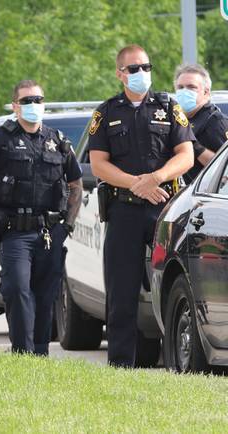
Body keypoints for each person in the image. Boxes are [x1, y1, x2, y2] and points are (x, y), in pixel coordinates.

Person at [89, 45, 194, 368]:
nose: (141, 74)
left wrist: (156, 178)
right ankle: (121, 365)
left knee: (176, 284)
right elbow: (98, 165)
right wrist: (137, 183)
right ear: (120, 73)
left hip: (164, 209)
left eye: (145, 67)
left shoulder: (168, 107)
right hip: (124, 210)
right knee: (121, 292)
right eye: (134, 69)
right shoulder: (106, 113)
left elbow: (185, 155)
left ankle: (179, 358)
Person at [0, 80, 83, 355]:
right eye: (26, 101)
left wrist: (68, 225)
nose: (33, 106)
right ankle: (21, 351)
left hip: (49, 231)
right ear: (15, 106)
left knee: (45, 295)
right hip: (13, 230)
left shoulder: (58, 141)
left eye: (38, 100)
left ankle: (39, 353)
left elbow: (75, 183)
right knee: (17, 288)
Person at [173, 64, 228, 183]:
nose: (184, 91)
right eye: (180, 87)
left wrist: (193, 145)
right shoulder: (178, 120)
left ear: (206, 92)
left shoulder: (215, 122)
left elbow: (225, 169)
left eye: (191, 87)